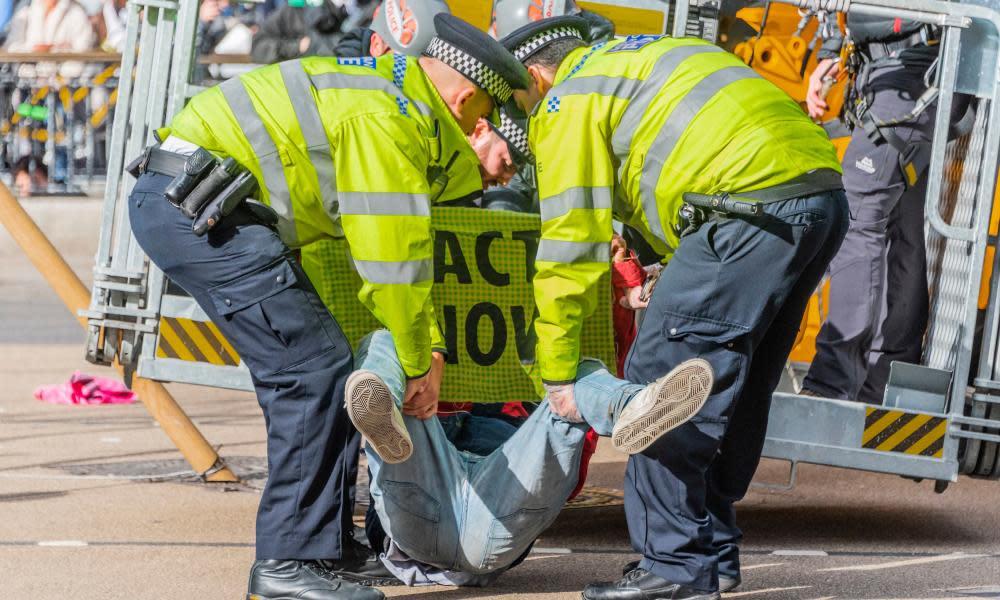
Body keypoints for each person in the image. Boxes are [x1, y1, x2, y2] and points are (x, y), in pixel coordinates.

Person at [125, 14, 529, 600]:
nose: (481, 133)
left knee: (326, 366)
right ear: (466, 97)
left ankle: (329, 549)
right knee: (307, 373)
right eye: (484, 118)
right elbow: (395, 261)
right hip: (200, 208)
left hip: (204, 204)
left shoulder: (388, 95)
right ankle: (287, 564)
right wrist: (421, 360)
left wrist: (419, 345)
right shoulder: (390, 120)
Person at [501, 16, 849, 599]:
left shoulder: (565, 100)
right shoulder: (645, 58)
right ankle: (713, 551)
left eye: (519, 107)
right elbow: (678, 162)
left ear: (537, 77)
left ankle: (676, 567)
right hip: (816, 196)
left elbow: (567, 248)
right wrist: (651, 257)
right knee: (729, 383)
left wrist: (558, 370)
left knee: (656, 385)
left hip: (745, 207)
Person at [347, 331, 713, 584]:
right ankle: (622, 403)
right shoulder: (497, 399)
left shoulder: (509, 387)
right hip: (483, 528)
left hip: (442, 520)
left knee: (569, 378)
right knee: (391, 346)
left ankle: (631, 406)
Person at [800, 15, 955, 404]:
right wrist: (833, 51)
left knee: (858, 219)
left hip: (913, 76)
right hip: (893, 76)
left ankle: (833, 385)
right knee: (899, 227)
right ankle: (881, 382)